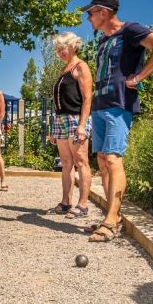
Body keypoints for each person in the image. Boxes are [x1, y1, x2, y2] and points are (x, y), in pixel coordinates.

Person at [81, 0, 153, 242]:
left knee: (113, 158)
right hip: (100, 104)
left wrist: (139, 77)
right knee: (102, 160)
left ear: (103, 11)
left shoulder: (130, 30)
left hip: (119, 104)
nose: (88, 18)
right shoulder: (103, 40)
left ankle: (111, 221)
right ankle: (113, 215)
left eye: (90, 13)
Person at [45, 32, 92, 219]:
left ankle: (83, 205)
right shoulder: (65, 69)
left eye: (61, 48)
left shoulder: (81, 67)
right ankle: (66, 202)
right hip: (60, 119)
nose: (59, 53)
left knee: (81, 162)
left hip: (75, 118)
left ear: (72, 46)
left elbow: (87, 98)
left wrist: (82, 125)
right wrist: (53, 127)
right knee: (65, 163)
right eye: (57, 50)